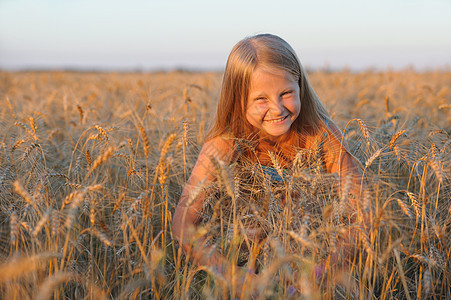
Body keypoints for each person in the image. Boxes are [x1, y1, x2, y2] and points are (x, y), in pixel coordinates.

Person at [172, 33, 366, 296]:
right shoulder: (226, 144)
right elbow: (184, 223)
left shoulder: (320, 135)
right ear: (237, 100)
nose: (277, 109)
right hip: (242, 265)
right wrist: (229, 274)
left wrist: (324, 273)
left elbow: (363, 213)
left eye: (286, 93)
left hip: (310, 266)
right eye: (261, 99)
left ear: (300, 86)